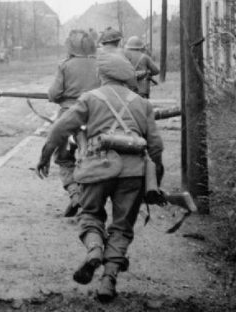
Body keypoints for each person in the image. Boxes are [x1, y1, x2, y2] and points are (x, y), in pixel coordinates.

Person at [36, 51, 164, 303]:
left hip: (97, 169)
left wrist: (44, 155)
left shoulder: (89, 99)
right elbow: (157, 147)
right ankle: (109, 280)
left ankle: (94, 250)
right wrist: (154, 179)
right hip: (133, 173)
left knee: (91, 215)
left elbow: (60, 129)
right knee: (122, 227)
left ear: (101, 75)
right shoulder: (143, 103)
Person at [46, 29, 100, 217]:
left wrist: (54, 96)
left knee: (63, 157)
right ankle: (91, 197)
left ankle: (75, 193)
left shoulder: (65, 66)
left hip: (69, 117)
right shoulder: (100, 64)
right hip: (95, 117)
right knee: (96, 156)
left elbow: (54, 93)